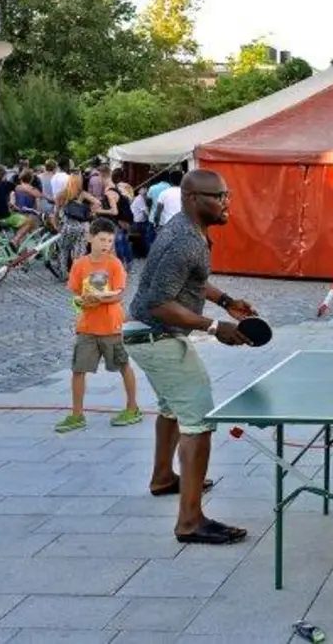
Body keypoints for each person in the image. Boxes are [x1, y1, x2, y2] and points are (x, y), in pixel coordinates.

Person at [126, 168, 260, 545]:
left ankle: (163, 477)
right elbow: (160, 302)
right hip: (156, 336)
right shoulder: (184, 239)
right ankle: (190, 521)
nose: (226, 202)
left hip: (150, 334)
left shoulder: (191, 234)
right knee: (199, 420)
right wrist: (215, 327)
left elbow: (193, 279)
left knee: (171, 408)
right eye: (218, 196)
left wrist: (227, 301)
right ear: (192, 199)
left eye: (226, 194)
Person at [57, 217, 144, 433]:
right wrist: (81, 301)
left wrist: (100, 299)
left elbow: (118, 294)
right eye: (102, 239)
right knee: (78, 369)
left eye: (110, 241)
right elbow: (76, 294)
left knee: (123, 365)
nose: (106, 244)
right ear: (90, 238)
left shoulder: (115, 264)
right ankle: (77, 414)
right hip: (86, 326)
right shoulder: (80, 264)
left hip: (111, 326)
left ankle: (133, 407)